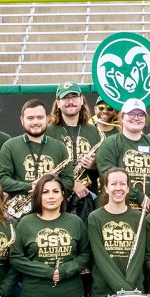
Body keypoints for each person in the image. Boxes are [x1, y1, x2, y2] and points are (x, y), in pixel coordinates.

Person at [10, 173, 88, 297]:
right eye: (45, 192)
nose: (51, 196)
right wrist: (46, 271)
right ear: (38, 196)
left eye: (55, 191)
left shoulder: (75, 222)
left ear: (63, 195)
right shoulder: (26, 223)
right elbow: (16, 257)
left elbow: (86, 254)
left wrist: (64, 270)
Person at [93, 99, 150, 211]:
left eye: (141, 114)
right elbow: (109, 177)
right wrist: (137, 195)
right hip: (119, 209)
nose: (136, 118)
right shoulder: (109, 144)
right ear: (122, 117)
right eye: (131, 114)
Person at [86, 167, 149, 295]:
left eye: (122, 184)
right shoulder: (95, 217)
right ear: (106, 188)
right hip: (104, 292)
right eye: (113, 184)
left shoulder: (138, 217)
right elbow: (101, 257)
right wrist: (123, 288)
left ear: (128, 189)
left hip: (134, 290)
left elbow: (138, 256)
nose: (118, 188)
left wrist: (128, 288)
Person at [0, 100, 67, 206]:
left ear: (47, 119)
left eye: (40, 117)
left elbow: (69, 181)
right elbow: (1, 179)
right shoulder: (9, 146)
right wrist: (28, 186)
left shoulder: (60, 147)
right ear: (22, 120)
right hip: (18, 211)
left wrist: (45, 188)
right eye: (30, 118)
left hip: (53, 209)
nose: (35, 122)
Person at [49, 84, 103, 215]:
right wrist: (71, 184)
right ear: (58, 102)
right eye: (65, 98)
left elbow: (106, 168)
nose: (70, 102)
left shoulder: (95, 132)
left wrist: (95, 165)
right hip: (56, 199)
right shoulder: (48, 132)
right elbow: (44, 168)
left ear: (81, 100)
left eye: (74, 97)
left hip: (88, 199)